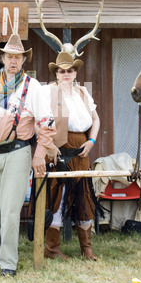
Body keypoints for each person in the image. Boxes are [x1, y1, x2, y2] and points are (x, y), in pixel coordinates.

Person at [0, 33, 56, 277]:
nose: (13, 60)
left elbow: (47, 122)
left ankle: (8, 263)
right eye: (9, 56)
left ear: (23, 60)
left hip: (17, 152)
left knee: (9, 209)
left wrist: (39, 155)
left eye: (18, 56)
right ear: (3, 57)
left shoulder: (33, 87)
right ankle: (0, 249)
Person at [42, 51, 100, 261]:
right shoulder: (48, 92)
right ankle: (51, 248)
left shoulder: (83, 92)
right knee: (58, 196)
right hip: (59, 151)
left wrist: (91, 141)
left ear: (75, 73)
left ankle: (86, 248)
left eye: (70, 70)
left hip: (82, 150)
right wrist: (48, 146)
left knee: (84, 196)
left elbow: (96, 119)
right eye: (62, 71)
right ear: (56, 73)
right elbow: (38, 120)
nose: (66, 74)